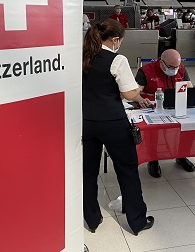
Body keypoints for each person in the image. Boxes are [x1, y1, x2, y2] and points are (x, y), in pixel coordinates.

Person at [82, 19, 154, 235]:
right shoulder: (117, 60)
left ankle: (92, 219)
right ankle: (137, 220)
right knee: (127, 170)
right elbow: (130, 94)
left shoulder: (81, 56)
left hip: (85, 122)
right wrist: (138, 90)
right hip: (112, 122)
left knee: (87, 173)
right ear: (115, 39)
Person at [132, 49, 195, 178]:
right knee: (154, 130)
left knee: (187, 126)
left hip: (176, 107)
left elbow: (190, 88)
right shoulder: (146, 71)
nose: (175, 69)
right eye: (171, 67)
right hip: (152, 109)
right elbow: (134, 93)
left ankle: (181, 156)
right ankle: (153, 159)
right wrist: (140, 99)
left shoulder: (181, 69)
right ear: (161, 62)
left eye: (177, 66)